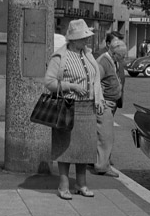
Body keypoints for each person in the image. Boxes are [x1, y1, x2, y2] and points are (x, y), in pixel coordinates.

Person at [44, 19, 106, 200]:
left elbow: (95, 79)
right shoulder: (60, 57)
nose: (86, 40)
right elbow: (49, 82)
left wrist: (99, 98)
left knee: (85, 148)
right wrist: (70, 86)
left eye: (87, 37)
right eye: (83, 37)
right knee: (66, 148)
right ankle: (63, 186)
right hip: (68, 107)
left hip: (88, 108)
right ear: (72, 39)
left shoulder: (88, 54)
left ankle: (81, 184)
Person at [93, 39, 127, 178]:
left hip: (111, 103)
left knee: (104, 135)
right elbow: (96, 82)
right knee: (106, 137)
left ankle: (101, 161)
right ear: (113, 53)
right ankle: (102, 167)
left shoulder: (112, 61)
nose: (123, 59)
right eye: (122, 56)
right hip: (105, 103)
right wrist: (100, 100)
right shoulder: (103, 62)